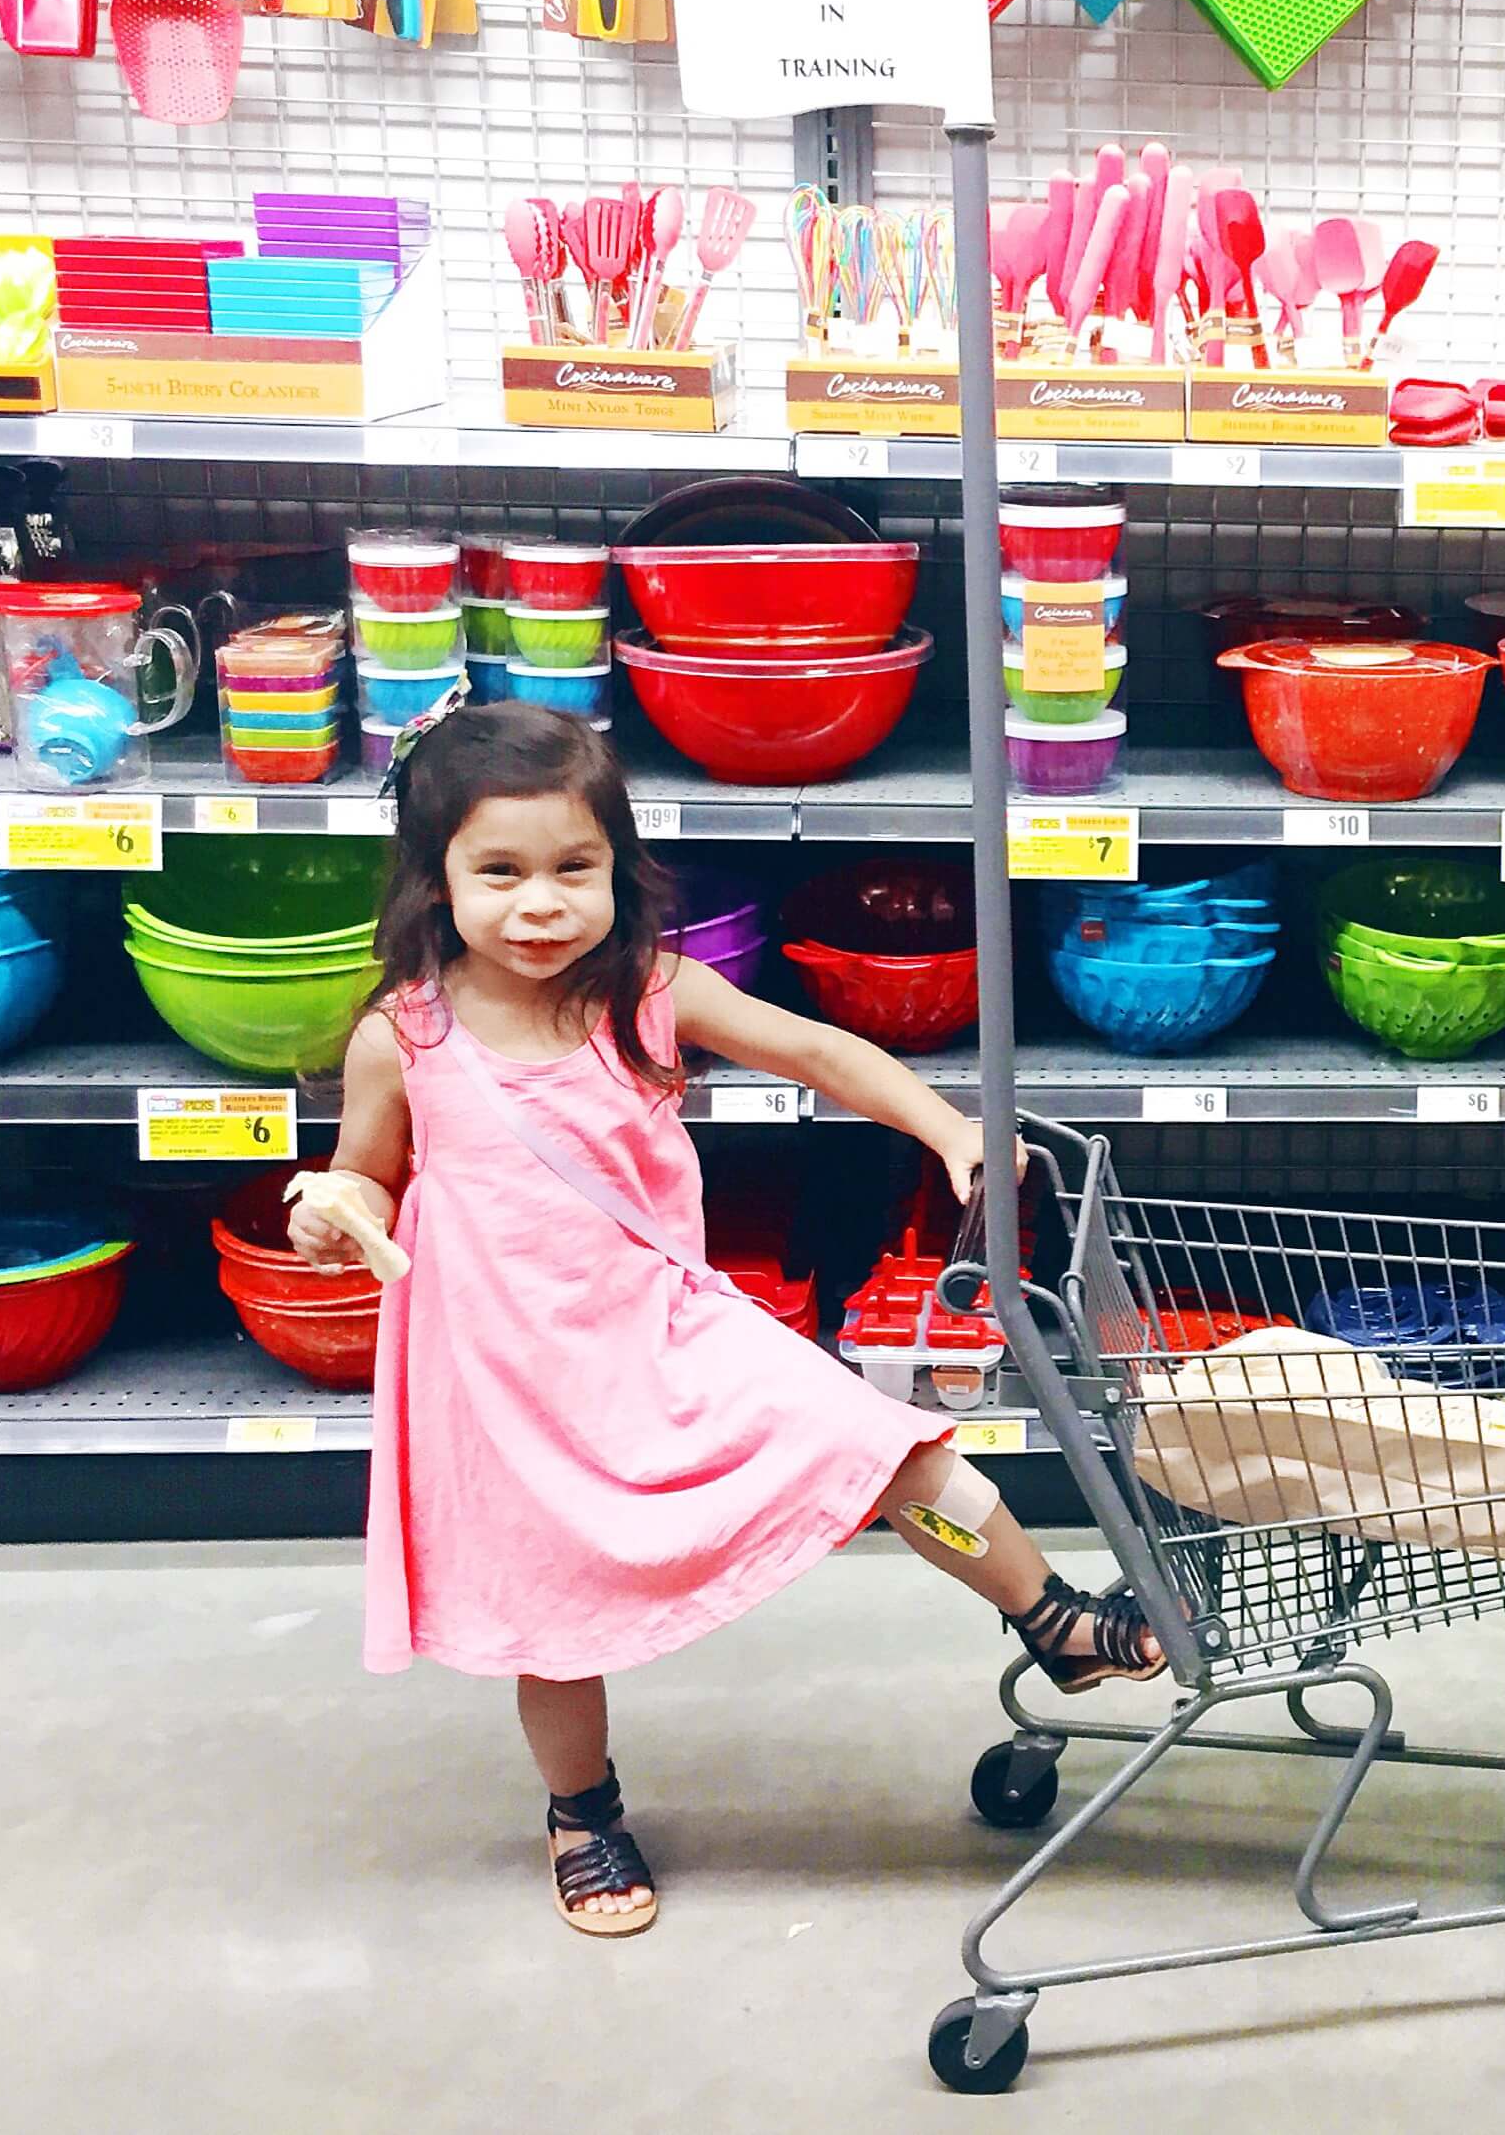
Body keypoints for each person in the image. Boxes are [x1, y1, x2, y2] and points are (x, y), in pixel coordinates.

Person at [289, 701, 1161, 1939]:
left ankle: (1052, 1618)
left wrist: (950, 1131)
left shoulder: (648, 993)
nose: (540, 902)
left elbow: (818, 1051)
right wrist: (337, 1212)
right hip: (502, 1377)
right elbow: (365, 1175)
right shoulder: (405, 1038)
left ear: (618, 870)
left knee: (887, 1443)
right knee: (551, 1610)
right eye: (499, 872)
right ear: (435, 883)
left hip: (664, 1330)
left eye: (571, 868)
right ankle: (581, 1813)